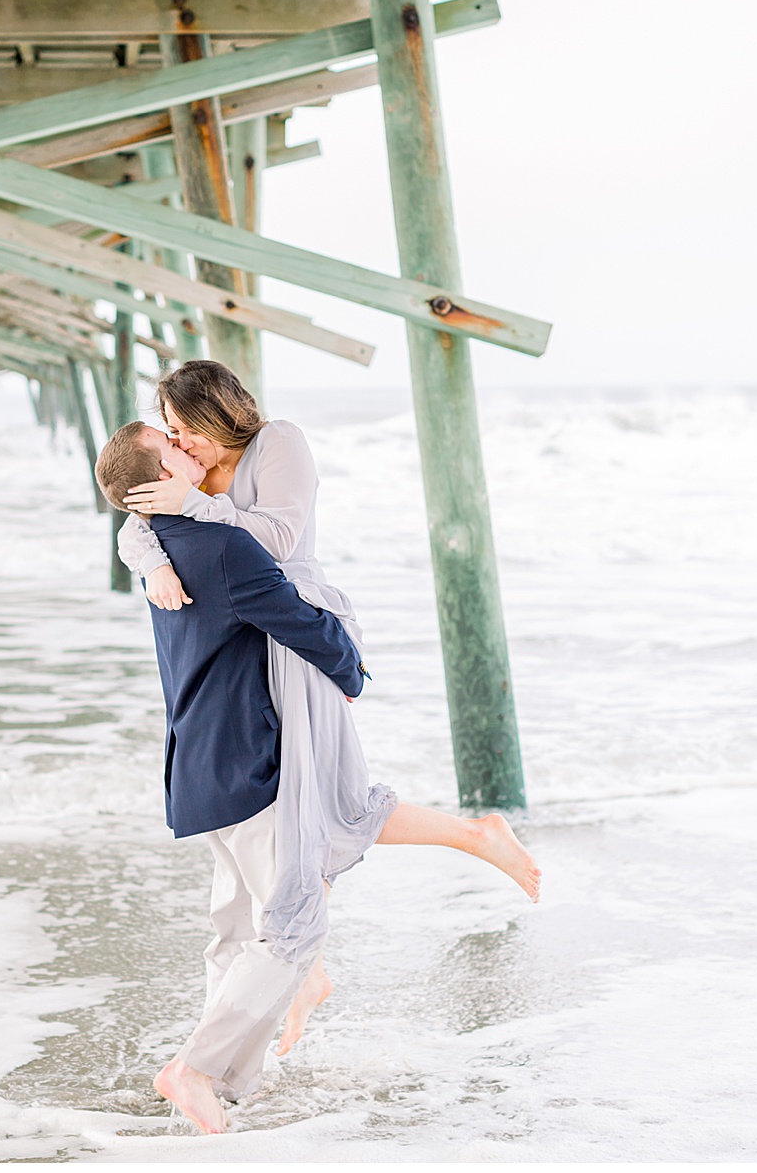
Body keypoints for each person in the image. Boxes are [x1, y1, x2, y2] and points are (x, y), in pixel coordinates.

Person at [117, 360, 541, 1058]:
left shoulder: (278, 441)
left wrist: (189, 509)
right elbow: (138, 520)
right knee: (310, 812)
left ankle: (463, 847)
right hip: (246, 649)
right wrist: (150, 559)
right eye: (169, 430)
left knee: (326, 804)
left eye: (185, 426)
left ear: (218, 411)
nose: (179, 441)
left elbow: (277, 542)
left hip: (297, 633)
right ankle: (305, 971)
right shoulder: (187, 479)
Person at [95, 420, 365, 1134]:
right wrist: (352, 669)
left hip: (195, 766)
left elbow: (140, 528)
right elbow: (298, 620)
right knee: (293, 930)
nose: (189, 448)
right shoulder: (219, 545)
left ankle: (235, 1081)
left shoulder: (163, 547)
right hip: (249, 764)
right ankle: (197, 1067)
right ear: (157, 480)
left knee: (234, 929)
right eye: (173, 445)